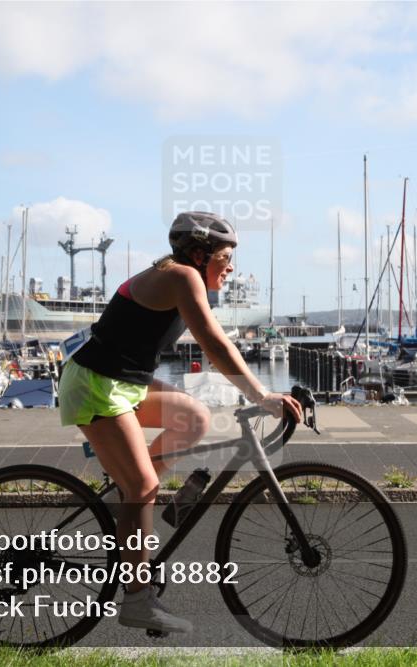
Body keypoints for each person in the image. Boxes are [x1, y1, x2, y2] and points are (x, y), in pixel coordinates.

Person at [58, 211, 302, 634]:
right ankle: (137, 600)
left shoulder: (175, 274)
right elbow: (214, 343)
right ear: (200, 254)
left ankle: (126, 503)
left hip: (120, 382)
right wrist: (262, 395)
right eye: (225, 257)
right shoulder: (182, 276)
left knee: (193, 418)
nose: (230, 267)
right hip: (96, 384)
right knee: (143, 488)